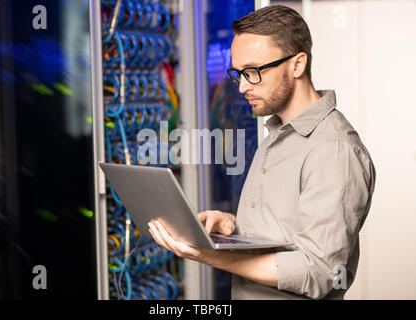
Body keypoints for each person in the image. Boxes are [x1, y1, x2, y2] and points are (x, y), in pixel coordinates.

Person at [148, 5, 376, 300]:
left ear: (297, 65)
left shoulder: (334, 149)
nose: (242, 86)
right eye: (238, 73)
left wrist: (207, 254)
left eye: (253, 72)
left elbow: (320, 271)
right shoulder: (277, 133)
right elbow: (284, 231)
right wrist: (232, 226)